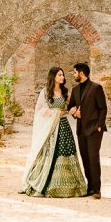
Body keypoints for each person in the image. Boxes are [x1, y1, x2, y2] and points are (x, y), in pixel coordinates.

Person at [19, 66, 88, 198]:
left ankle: (71, 187)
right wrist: (56, 113)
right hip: (51, 130)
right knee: (52, 154)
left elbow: (71, 107)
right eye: (59, 75)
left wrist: (72, 111)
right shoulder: (45, 92)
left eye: (62, 75)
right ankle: (51, 186)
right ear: (53, 77)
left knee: (66, 153)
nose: (62, 77)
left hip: (64, 128)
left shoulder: (66, 92)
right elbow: (39, 111)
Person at [67, 61, 107, 198]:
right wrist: (73, 113)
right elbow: (70, 106)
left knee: (93, 158)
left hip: (95, 129)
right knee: (85, 158)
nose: (73, 75)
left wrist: (100, 126)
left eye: (74, 72)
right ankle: (90, 188)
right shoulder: (75, 90)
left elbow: (103, 108)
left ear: (81, 73)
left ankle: (97, 189)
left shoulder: (96, 88)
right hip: (81, 130)